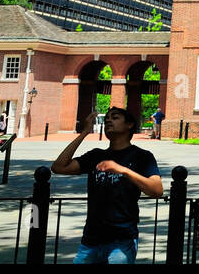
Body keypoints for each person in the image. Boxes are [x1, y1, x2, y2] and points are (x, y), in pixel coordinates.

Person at [51, 108, 163, 264]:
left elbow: (157, 190)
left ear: (129, 125)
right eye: (107, 118)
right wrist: (84, 132)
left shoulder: (142, 156)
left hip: (122, 241)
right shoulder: (96, 155)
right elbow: (59, 167)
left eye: (115, 117)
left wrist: (123, 170)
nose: (109, 120)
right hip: (90, 239)